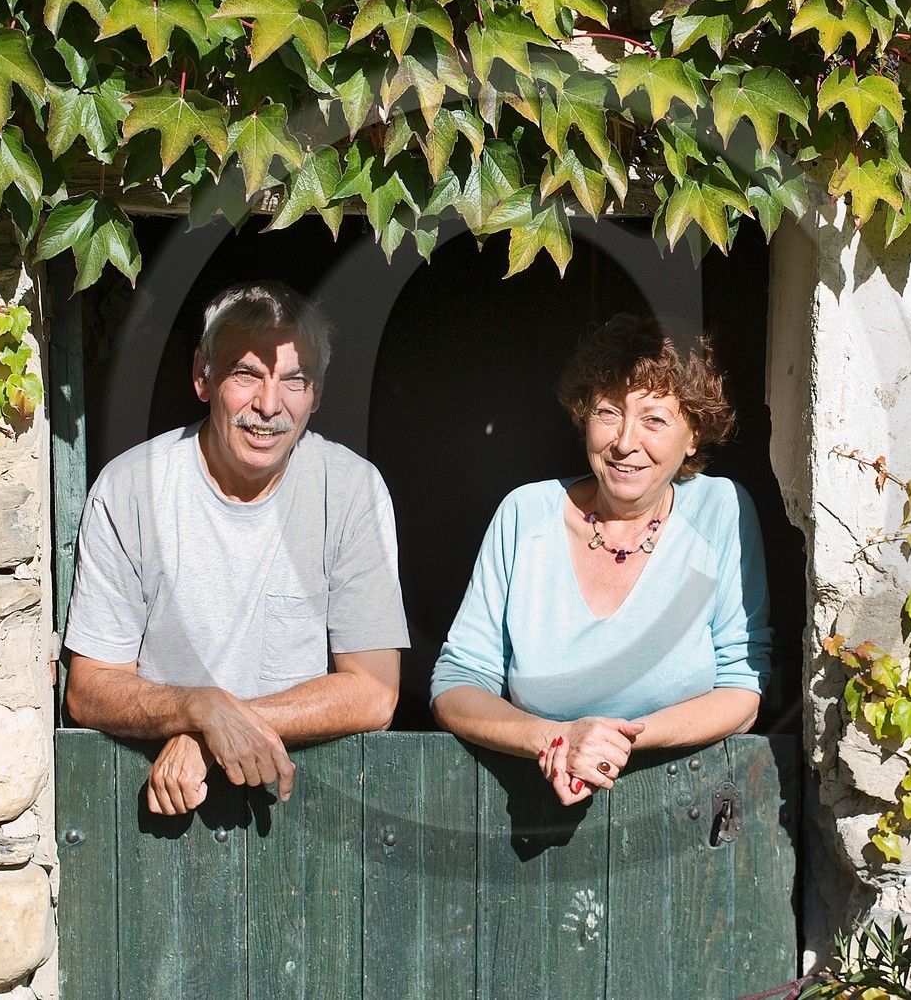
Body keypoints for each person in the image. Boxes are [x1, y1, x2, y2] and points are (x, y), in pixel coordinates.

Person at [62, 281, 408, 815]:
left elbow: (375, 692)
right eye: (246, 374)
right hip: (153, 816)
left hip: (302, 811)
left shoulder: (351, 490)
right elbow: (88, 689)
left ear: (317, 394)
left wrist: (215, 727)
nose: (269, 406)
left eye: (294, 381)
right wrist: (196, 707)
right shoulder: (130, 488)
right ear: (202, 376)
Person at [431, 314, 772, 805]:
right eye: (608, 412)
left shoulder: (720, 511)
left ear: (694, 435)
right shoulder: (525, 516)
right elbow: (456, 684)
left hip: (687, 807)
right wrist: (558, 740)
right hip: (526, 805)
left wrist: (616, 742)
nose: (626, 442)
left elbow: (742, 688)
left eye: (654, 419)